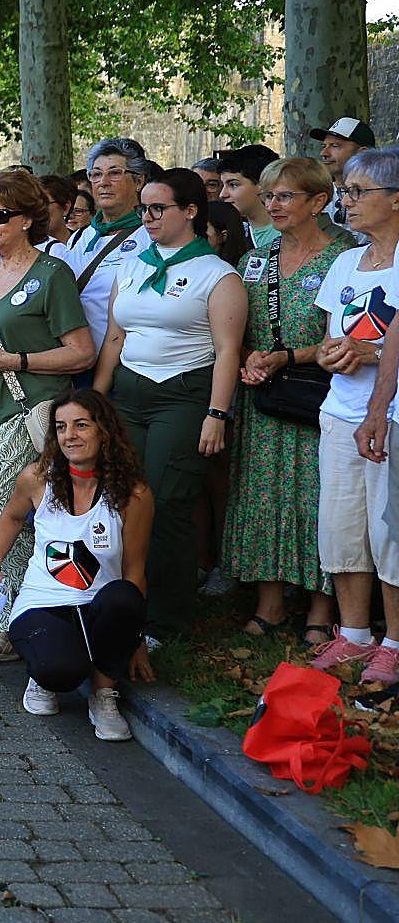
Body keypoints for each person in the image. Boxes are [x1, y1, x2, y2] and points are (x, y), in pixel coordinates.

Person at [0, 173, 94, 667]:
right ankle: (5, 619)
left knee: (5, 509)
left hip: (29, 410)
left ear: (28, 219)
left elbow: (81, 351)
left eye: (0, 215)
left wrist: (11, 361)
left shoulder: (53, 274)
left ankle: (15, 623)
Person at [94, 168, 245, 631]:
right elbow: (115, 336)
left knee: (164, 501)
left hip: (182, 396)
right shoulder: (132, 265)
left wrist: (216, 413)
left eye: (158, 208)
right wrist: (96, 400)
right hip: (128, 393)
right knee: (121, 495)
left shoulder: (217, 275)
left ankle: (165, 619)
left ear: (191, 211)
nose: (148, 217)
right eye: (144, 208)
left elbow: (227, 351)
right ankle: (120, 602)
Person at [227, 157, 352, 645]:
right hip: (262, 396)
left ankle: (321, 607)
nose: (273, 205)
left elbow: (345, 337)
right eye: (268, 196)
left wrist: (286, 357)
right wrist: (248, 359)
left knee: (317, 497)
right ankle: (270, 602)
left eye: (284, 196)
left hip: (317, 394)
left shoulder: (344, 258)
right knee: (262, 494)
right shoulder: (255, 260)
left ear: (319, 201)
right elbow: (236, 327)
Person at [0, 390, 154, 740]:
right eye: (61, 427)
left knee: (123, 595)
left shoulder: (133, 494)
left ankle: (103, 694)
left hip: (99, 605)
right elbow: (12, 517)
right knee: (61, 671)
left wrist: (135, 639)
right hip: (42, 604)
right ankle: (42, 675)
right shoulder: (37, 477)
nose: (69, 436)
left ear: (104, 431)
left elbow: (135, 570)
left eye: (81, 425)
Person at [302, 149, 399, 681]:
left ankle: (395, 643)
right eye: (346, 191)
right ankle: (356, 635)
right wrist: (331, 354)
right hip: (340, 411)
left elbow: (381, 345)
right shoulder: (345, 263)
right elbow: (329, 339)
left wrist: (373, 352)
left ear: (396, 198)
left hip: (394, 415)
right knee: (342, 527)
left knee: (390, 531)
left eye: (359, 192)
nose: (348, 201)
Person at [65, 138, 155, 363]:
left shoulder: (150, 237)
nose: (103, 182)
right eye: (96, 174)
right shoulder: (78, 237)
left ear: (138, 181)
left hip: (122, 363)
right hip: (72, 361)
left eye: (114, 173)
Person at [313, 116, 378, 227]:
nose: (324, 153)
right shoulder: (317, 198)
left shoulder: (383, 197)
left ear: (363, 154)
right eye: (324, 146)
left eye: (335, 146)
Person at [218, 143, 282, 250]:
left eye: (233, 185)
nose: (222, 194)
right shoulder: (228, 235)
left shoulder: (291, 235)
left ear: (263, 184)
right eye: (223, 185)